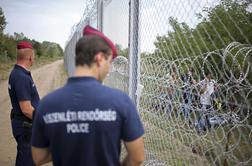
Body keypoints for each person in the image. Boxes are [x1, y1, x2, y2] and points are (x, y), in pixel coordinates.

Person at [31, 25, 145, 166]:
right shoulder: (120, 101)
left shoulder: (47, 104)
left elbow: (38, 157)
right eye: (109, 62)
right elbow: (137, 157)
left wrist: (68, 148)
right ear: (99, 58)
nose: (109, 70)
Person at [8, 41, 40, 166]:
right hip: (26, 127)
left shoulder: (18, 73)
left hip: (23, 125)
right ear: (30, 57)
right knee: (27, 160)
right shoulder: (21, 77)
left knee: (24, 157)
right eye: (34, 57)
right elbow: (26, 109)